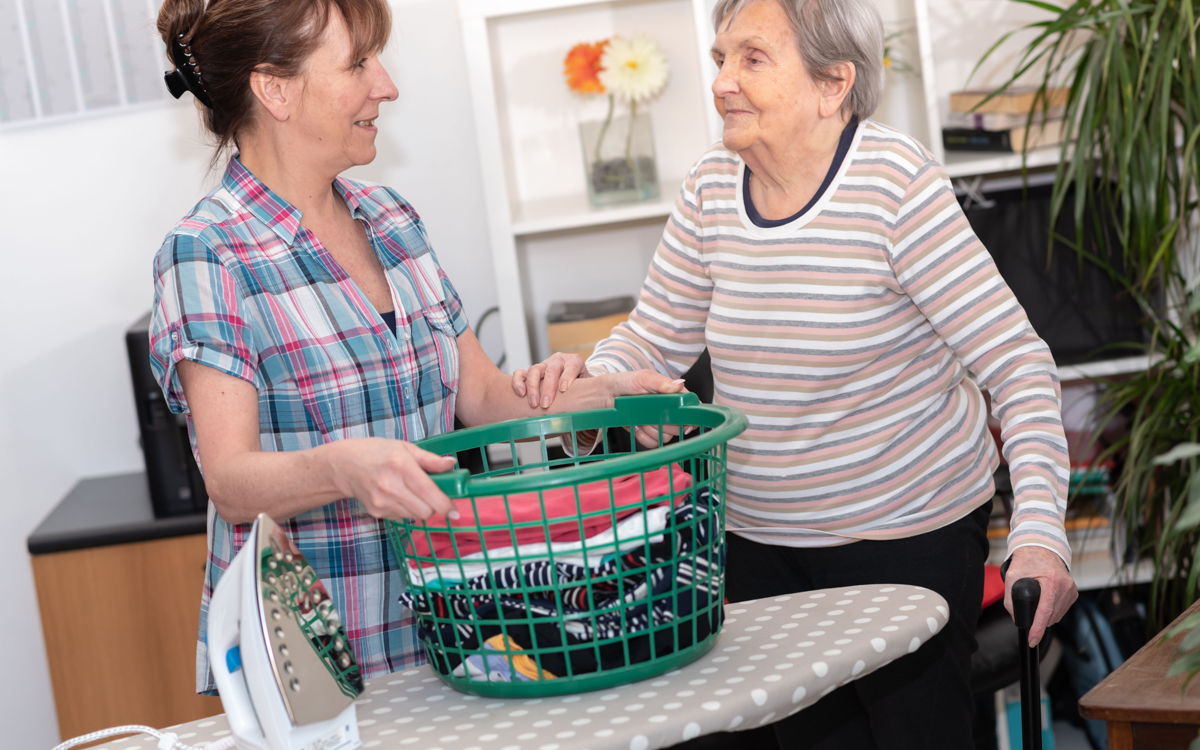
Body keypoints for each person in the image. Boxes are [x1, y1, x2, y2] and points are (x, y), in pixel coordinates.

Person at [512, 0, 1078, 746]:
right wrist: (592, 380)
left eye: (751, 58)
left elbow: (1018, 363)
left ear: (832, 83)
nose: (720, 82)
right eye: (721, 58)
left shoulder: (895, 187)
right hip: (757, 541)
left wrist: (1040, 531)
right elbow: (653, 338)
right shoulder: (713, 186)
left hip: (905, 538)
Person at [149, 0, 685, 695]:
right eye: (357, 64)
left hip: (451, 633)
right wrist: (344, 469)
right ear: (274, 88)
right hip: (315, 662)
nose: (387, 85)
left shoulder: (392, 219)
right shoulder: (207, 253)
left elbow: (487, 398)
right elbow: (230, 481)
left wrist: (602, 399)